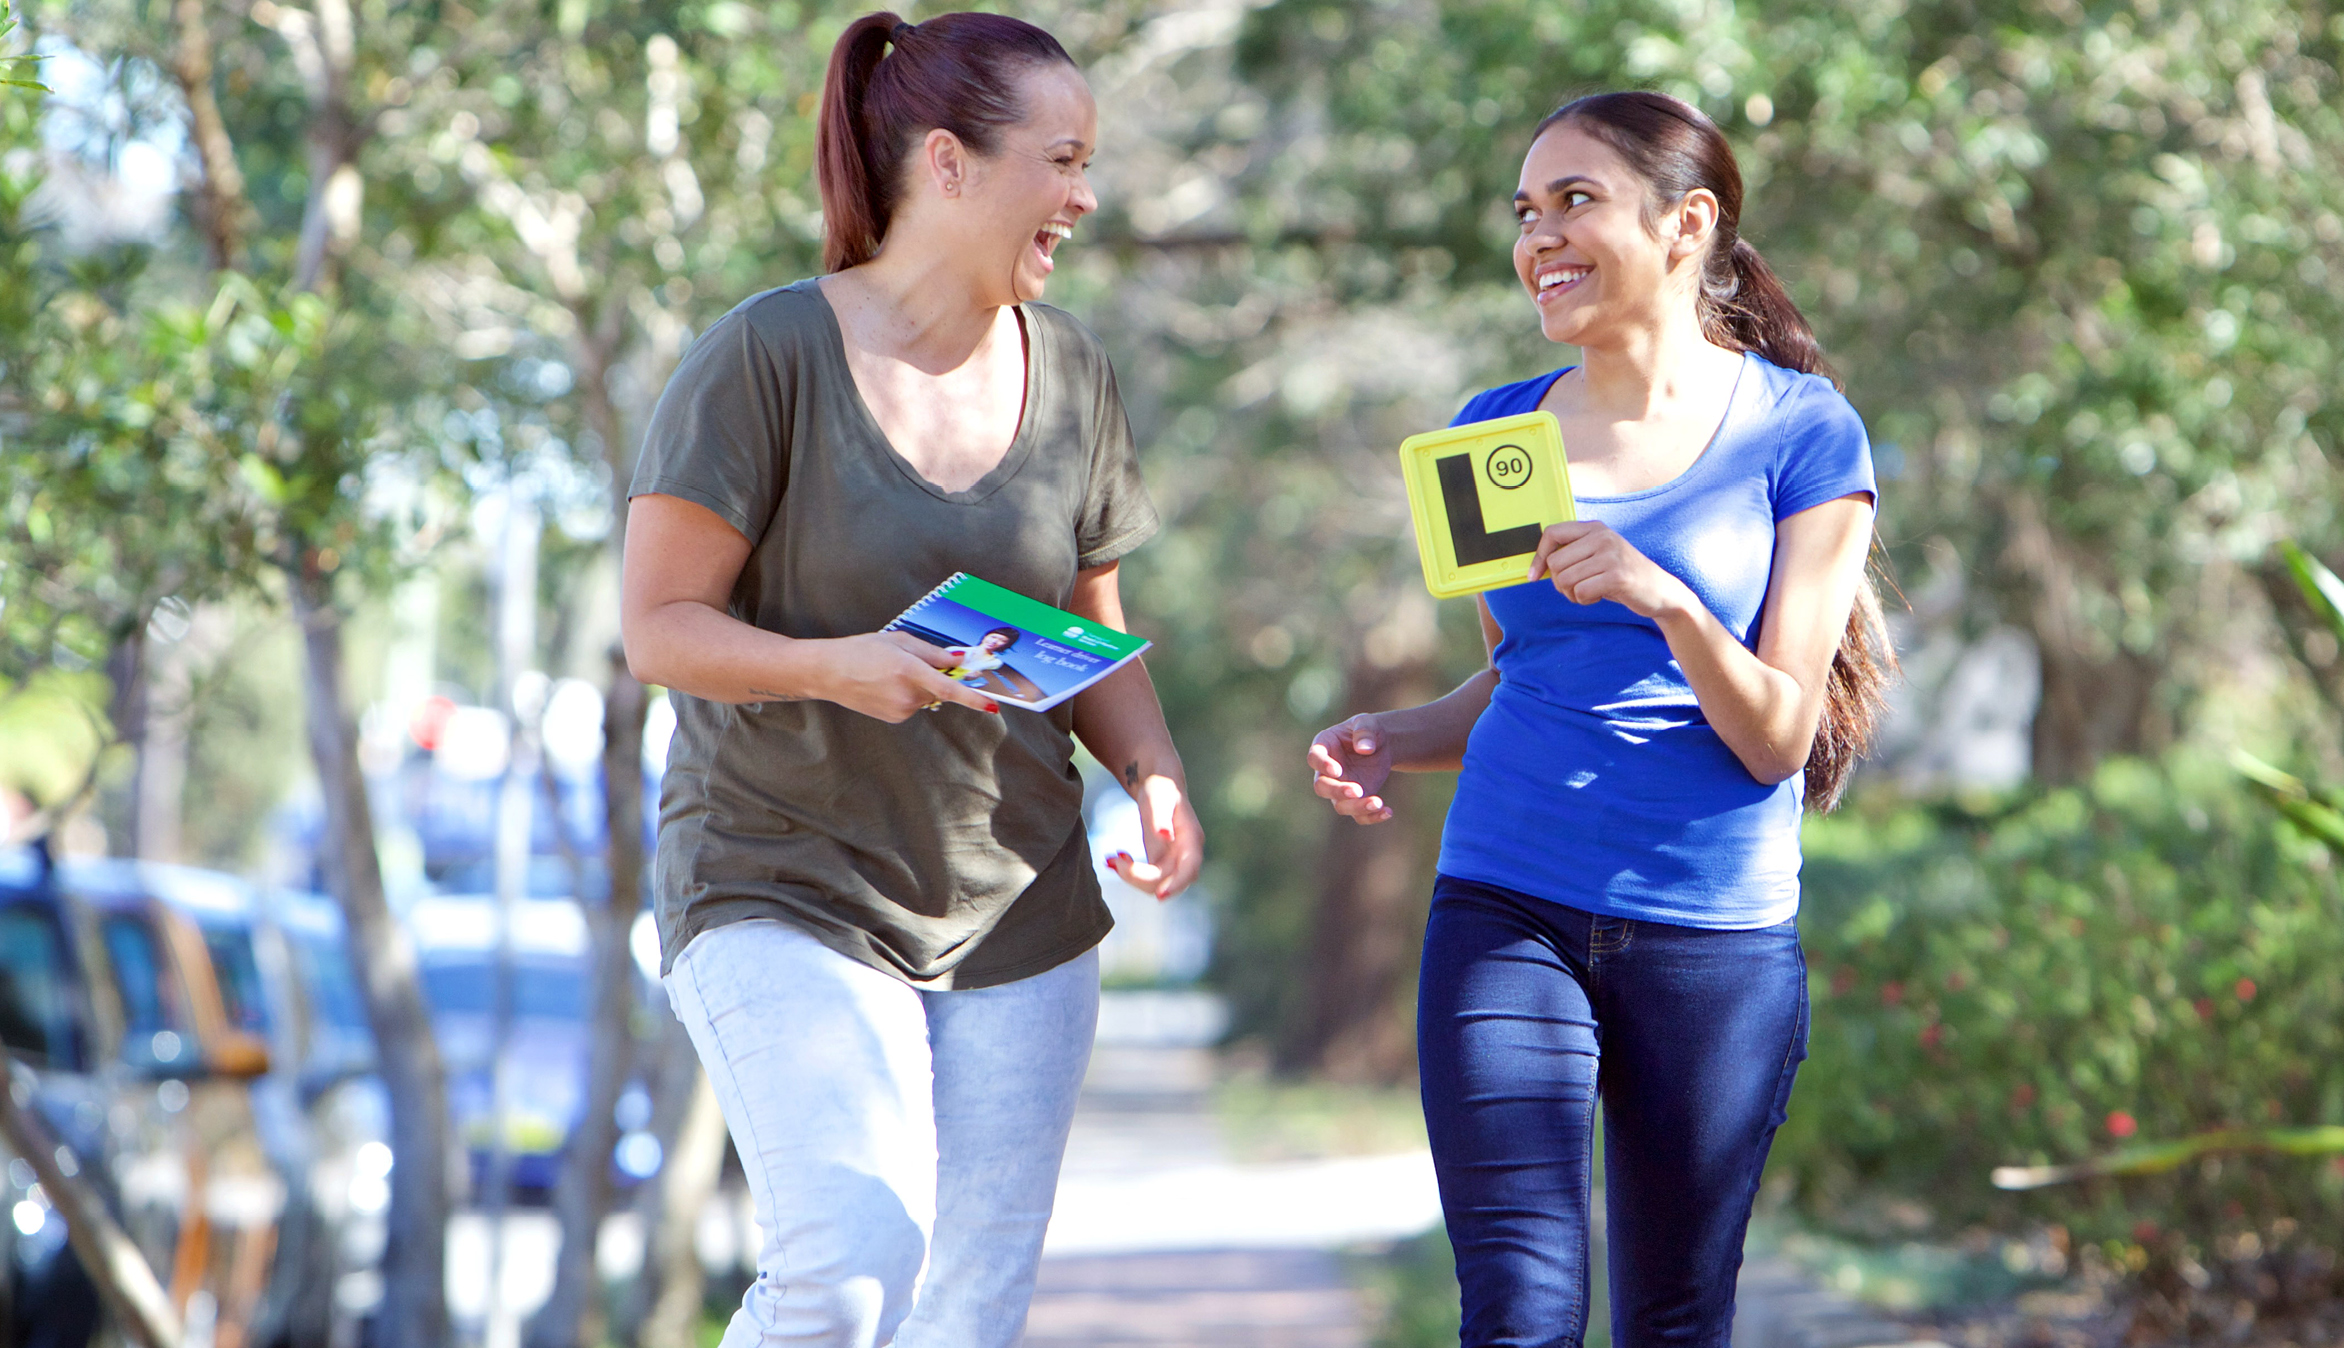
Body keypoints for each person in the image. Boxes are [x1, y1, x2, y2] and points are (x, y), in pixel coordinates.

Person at [618, 12, 1203, 1346]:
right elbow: (657, 628)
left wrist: (1156, 777)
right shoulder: (766, 355)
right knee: (852, 1267)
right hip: (782, 883)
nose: (1083, 196)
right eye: (1059, 160)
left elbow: (1094, 626)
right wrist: (840, 666)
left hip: (1020, 911)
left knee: (964, 1312)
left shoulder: (1072, 375)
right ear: (947, 163)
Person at [1306, 91, 1894, 1345]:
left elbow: (1781, 735)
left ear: (1688, 224)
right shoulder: (1488, 433)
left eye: (1574, 201)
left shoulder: (1802, 433)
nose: (1538, 239)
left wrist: (1667, 600)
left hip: (1713, 935)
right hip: (1506, 895)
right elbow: (1528, 675)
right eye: (1525, 212)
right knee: (1519, 1308)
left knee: (1675, 1317)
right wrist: (1397, 735)